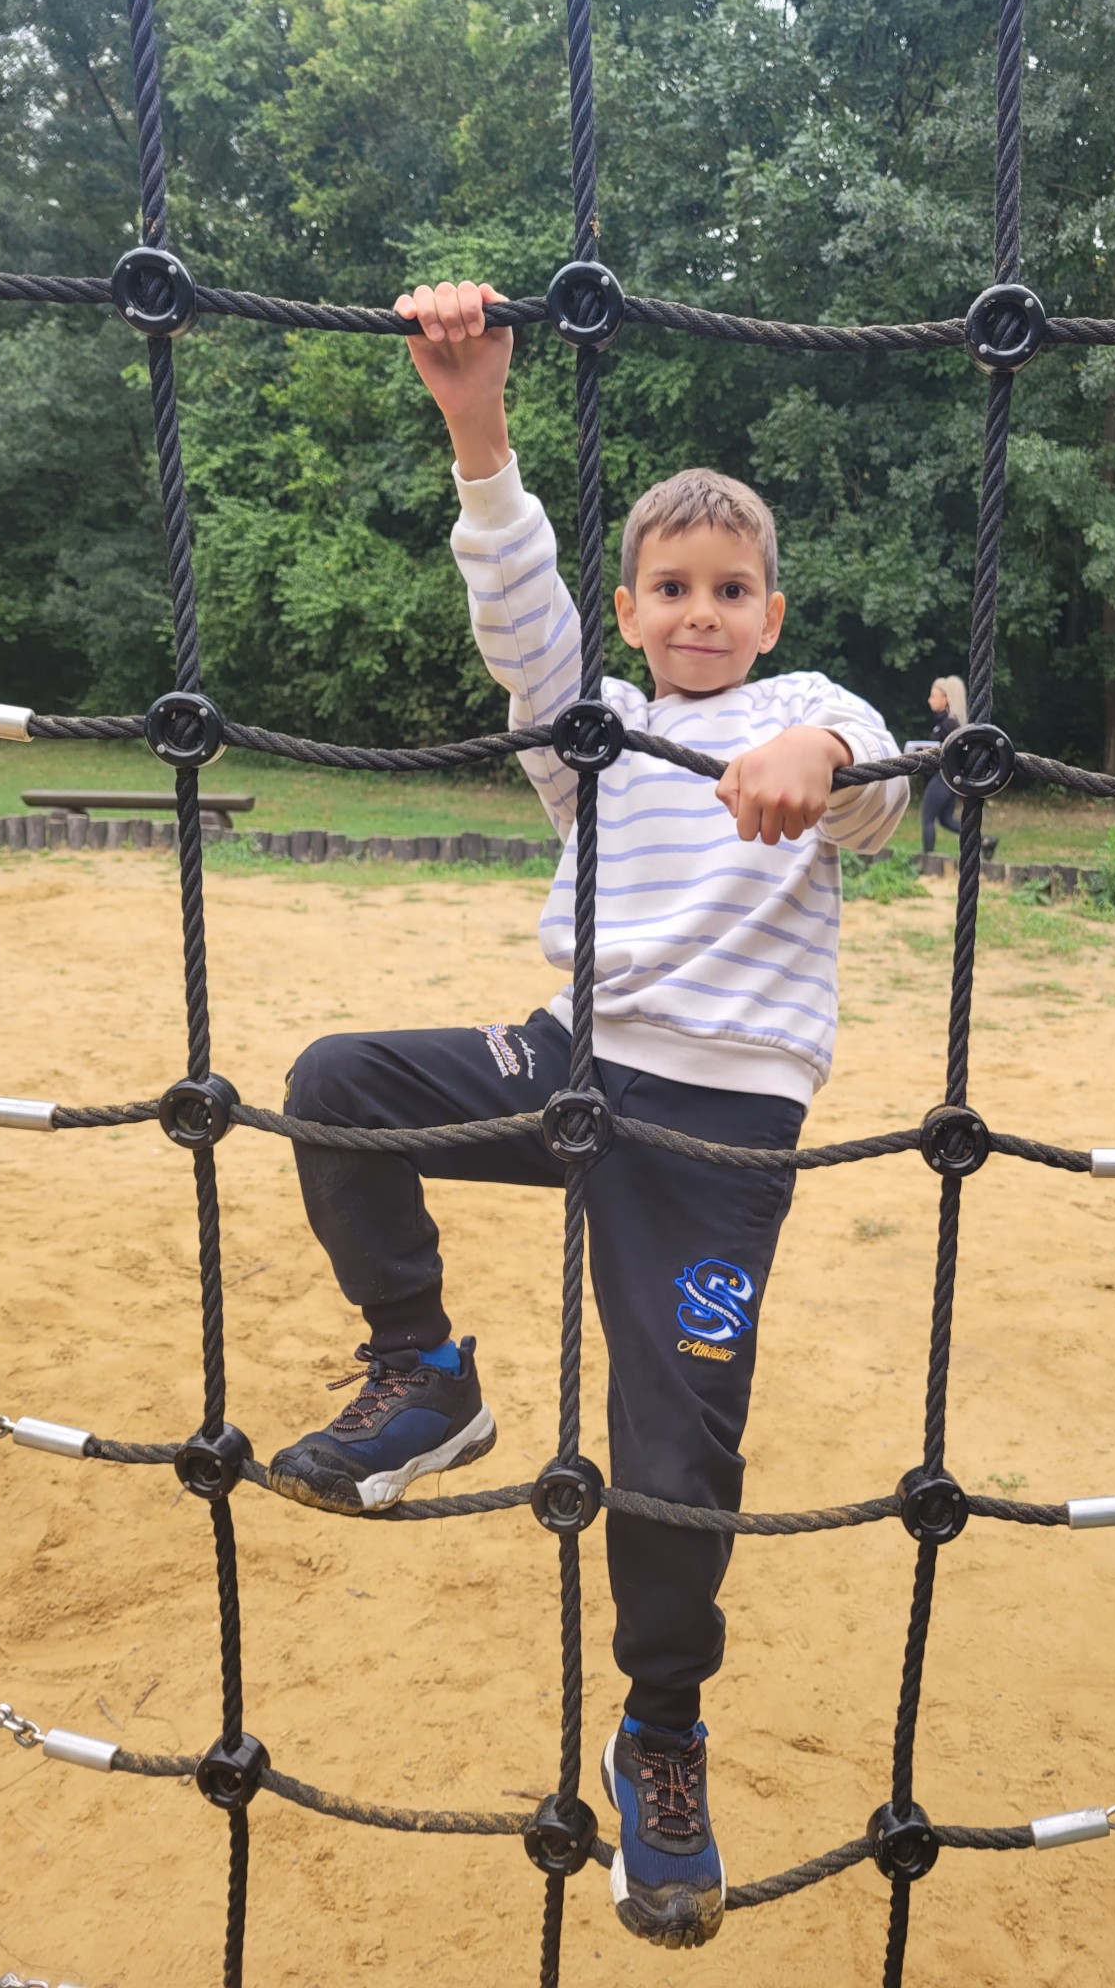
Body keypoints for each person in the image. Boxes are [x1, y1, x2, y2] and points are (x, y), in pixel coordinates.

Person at [267, 280, 908, 1949]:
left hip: (717, 1136)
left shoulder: (801, 715)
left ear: (771, 614)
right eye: (671, 589)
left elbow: (880, 786)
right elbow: (516, 615)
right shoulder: (596, 740)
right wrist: (475, 424)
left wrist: (821, 748)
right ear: (631, 610)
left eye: (731, 590)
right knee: (338, 1086)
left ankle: (661, 1735)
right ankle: (427, 1375)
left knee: (676, 1452)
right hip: (566, 1067)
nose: (701, 612)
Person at [920, 674, 967, 853]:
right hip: (949, 777)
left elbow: (953, 752)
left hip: (943, 777)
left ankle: (928, 857)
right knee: (945, 820)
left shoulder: (948, 724)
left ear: (945, 699)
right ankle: (983, 840)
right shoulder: (946, 723)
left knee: (927, 818)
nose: (929, 700)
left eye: (933, 696)